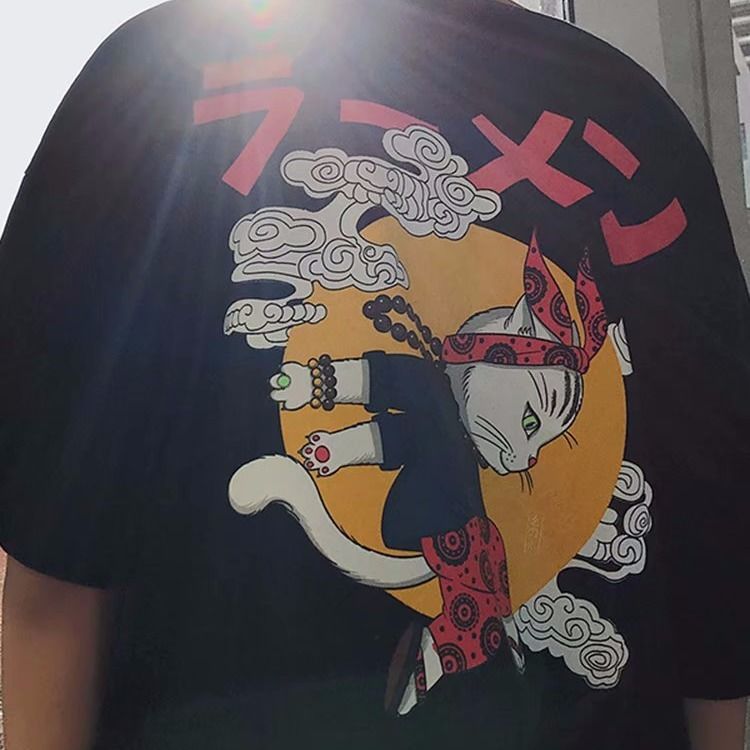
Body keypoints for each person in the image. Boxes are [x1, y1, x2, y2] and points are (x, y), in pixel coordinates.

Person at [1, 0, 749, 748]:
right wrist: (325, 410)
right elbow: (717, 606)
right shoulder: (629, 120)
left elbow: (51, 588)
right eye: (532, 416)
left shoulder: (157, 76)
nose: (523, 452)